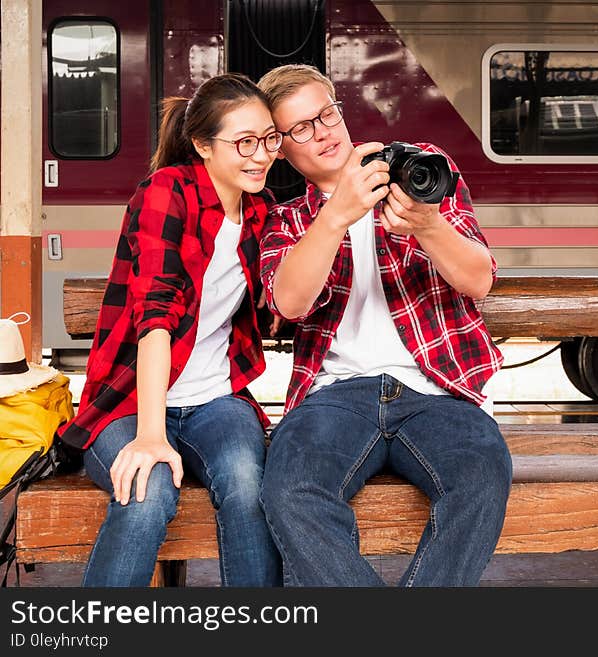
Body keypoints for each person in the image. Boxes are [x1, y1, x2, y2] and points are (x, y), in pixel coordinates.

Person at [256, 64, 512, 587]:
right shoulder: (285, 220)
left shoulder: (421, 171)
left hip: (439, 389)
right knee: (289, 490)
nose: (323, 131)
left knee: (483, 478)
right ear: (280, 147)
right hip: (334, 396)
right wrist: (334, 216)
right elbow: (289, 301)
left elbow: (478, 281)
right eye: (300, 128)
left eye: (326, 114)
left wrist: (429, 225)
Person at [56, 73, 283, 587]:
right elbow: (155, 315)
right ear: (203, 145)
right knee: (148, 486)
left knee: (249, 484)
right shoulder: (166, 192)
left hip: (217, 402)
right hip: (130, 403)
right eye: (244, 141)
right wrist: (151, 435)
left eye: (269, 138)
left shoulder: (261, 211)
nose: (261, 155)